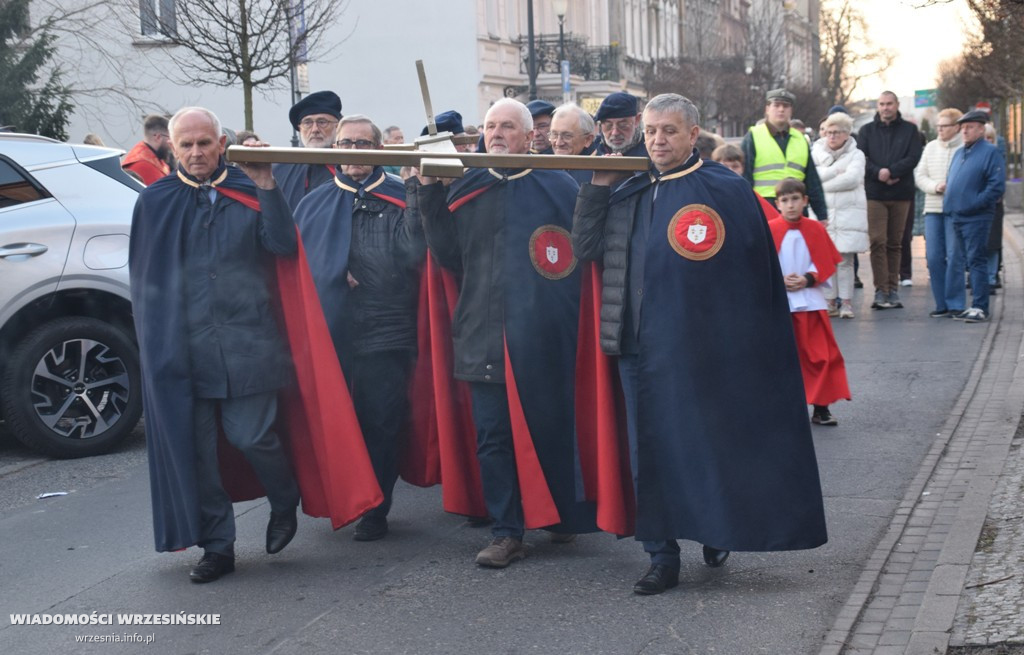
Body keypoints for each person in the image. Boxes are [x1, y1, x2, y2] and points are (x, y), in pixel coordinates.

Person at [572, 93, 827, 595]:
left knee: (707, 443)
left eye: (668, 130)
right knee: (649, 451)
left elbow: (752, 275)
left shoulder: (725, 189)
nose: (657, 140)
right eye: (651, 131)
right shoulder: (625, 187)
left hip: (704, 346)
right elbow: (586, 249)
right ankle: (660, 555)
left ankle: (716, 528)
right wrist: (597, 189)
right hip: (637, 345)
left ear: (693, 134)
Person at [129, 106, 382, 584]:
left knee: (250, 436)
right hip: (185, 351)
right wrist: (154, 347)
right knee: (200, 453)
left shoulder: (250, 189)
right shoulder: (156, 201)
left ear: (222, 144)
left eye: (206, 143)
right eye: (187, 145)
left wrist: (267, 185)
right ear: (173, 149)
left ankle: (283, 495)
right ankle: (218, 547)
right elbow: (146, 284)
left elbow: (286, 248)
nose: (197, 153)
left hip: (252, 344)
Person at [418, 98, 598, 568]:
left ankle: (562, 514)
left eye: (507, 127)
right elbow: (448, 256)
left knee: (551, 426)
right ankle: (506, 531)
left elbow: (579, 257)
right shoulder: (467, 186)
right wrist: (429, 194)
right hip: (483, 329)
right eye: (491, 126)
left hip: (543, 334)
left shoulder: (559, 184)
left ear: (528, 135)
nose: (497, 134)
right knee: (493, 435)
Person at [294, 115, 425, 541]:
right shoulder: (313, 204)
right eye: (345, 145)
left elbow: (413, 258)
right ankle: (342, 494)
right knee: (334, 419)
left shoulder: (398, 197)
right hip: (333, 331)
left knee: (381, 420)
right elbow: (296, 266)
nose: (353, 153)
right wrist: (332, 271)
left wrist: (416, 194)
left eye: (362, 145)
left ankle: (376, 505)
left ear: (378, 151)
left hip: (387, 329)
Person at [769, 178, 851, 425]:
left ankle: (821, 407)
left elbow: (825, 261)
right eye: (785, 200)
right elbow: (763, 262)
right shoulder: (770, 229)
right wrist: (779, 280)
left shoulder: (816, 229)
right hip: (781, 304)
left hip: (811, 302)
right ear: (778, 203)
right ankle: (786, 407)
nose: (791, 205)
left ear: (805, 201)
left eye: (795, 199)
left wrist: (807, 278)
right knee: (784, 357)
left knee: (820, 356)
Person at [856, 91, 924, 310]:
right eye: (882, 104)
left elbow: (913, 157)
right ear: (878, 106)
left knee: (896, 242)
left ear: (896, 105)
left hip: (901, 193)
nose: (886, 108)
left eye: (889, 104)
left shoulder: (910, 130)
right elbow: (861, 158)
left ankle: (892, 289)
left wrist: (893, 172)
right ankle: (880, 289)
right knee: (877, 241)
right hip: (875, 194)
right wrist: (879, 173)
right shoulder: (866, 131)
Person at [943, 110, 1006, 323]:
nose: (964, 131)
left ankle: (980, 307)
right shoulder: (961, 152)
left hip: (977, 216)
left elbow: (996, 186)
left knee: (977, 260)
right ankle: (972, 305)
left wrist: (974, 203)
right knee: (967, 261)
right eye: (962, 127)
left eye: (969, 127)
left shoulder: (989, 152)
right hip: (957, 215)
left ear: (981, 128)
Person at [811, 112, 869, 319]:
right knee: (824, 259)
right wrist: (836, 172)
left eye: (836, 132)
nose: (831, 136)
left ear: (846, 134)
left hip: (849, 214)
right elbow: (812, 178)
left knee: (845, 260)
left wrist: (823, 183)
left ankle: (846, 302)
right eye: (828, 132)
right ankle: (829, 301)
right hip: (823, 213)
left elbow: (852, 179)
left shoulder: (857, 155)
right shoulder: (815, 152)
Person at [740, 88, 827, 221]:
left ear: (791, 110)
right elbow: (744, 177)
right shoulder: (753, 136)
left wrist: (822, 215)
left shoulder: (800, 139)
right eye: (776, 105)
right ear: (767, 109)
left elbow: (812, 180)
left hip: (796, 209)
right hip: (764, 207)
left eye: (785, 106)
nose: (781, 109)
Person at [915, 108, 965, 318]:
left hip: (956, 210)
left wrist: (953, 188)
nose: (940, 130)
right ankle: (941, 303)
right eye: (938, 126)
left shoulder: (964, 148)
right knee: (934, 257)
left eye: (944, 126)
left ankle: (956, 303)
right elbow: (919, 175)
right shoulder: (931, 148)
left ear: (956, 127)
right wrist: (935, 186)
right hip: (933, 209)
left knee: (954, 256)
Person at [274, 90, 343, 210]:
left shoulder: (349, 167)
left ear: (337, 126)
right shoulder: (280, 170)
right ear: (300, 128)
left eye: (322, 122)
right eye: (308, 123)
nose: (315, 129)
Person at [549, 102, 597, 184]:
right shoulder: (545, 166)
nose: (558, 143)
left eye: (567, 136)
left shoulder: (597, 173)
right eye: (554, 134)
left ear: (588, 140)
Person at [593, 92, 648, 157]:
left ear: (637, 120)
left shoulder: (652, 149)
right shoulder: (591, 147)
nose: (615, 133)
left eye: (623, 125)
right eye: (608, 126)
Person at [984, 123, 1005, 292]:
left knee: (992, 243)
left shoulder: (997, 156)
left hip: (993, 206)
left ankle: (991, 276)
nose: (986, 141)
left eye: (989, 138)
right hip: (976, 206)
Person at [122, 114, 171, 185]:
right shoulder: (141, 166)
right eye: (169, 138)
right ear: (158, 137)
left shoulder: (157, 159)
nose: (171, 144)